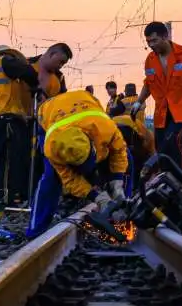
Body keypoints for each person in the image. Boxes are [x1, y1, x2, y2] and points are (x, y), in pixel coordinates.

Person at [26, 90, 128, 238]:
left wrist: (117, 182)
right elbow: (69, 179)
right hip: (48, 114)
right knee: (51, 177)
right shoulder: (51, 148)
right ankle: (35, 231)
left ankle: (123, 207)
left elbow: (119, 151)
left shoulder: (106, 127)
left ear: (92, 145)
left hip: (84, 105)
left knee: (127, 159)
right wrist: (96, 197)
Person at [0, 44, 71, 206]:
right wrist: (38, 88)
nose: (60, 66)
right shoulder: (7, 61)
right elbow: (28, 72)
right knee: (10, 162)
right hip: (9, 119)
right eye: (60, 62)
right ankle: (7, 201)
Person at [131, 22, 182, 175]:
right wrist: (139, 102)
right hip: (163, 112)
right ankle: (165, 178)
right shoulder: (150, 60)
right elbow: (149, 83)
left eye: (154, 41)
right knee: (160, 145)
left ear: (165, 36)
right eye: (148, 41)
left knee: (174, 140)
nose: (151, 45)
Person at [109, 101, 155, 192]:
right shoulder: (131, 120)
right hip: (136, 146)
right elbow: (149, 141)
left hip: (119, 148)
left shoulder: (110, 122)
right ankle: (136, 190)